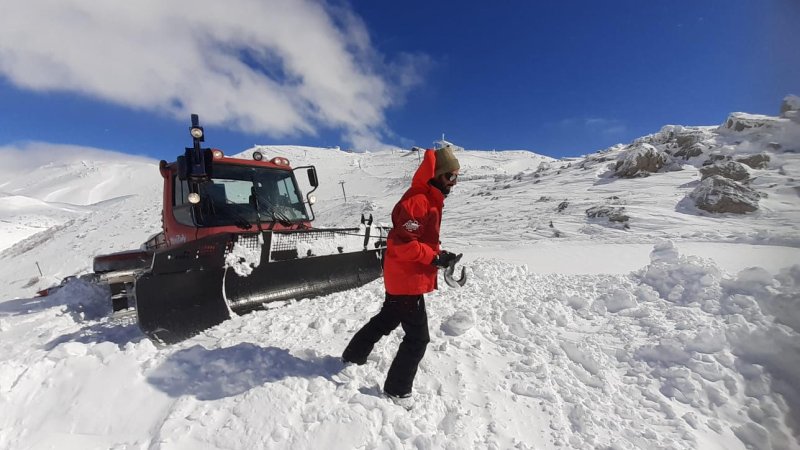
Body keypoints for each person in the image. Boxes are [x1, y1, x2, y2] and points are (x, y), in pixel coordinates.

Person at [342, 144, 461, 404]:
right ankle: (397, 390)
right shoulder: (419, 200)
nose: (454, 182)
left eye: (457, 177)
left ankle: (353, 355)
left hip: (404, 277)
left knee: (387, 318)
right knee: (418, 338)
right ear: (436, 174)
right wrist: (433, 257)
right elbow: (402, 244)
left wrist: (439, 256)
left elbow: (417, 240)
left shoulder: (428, 199)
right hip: (406, 280)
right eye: (450, 176)